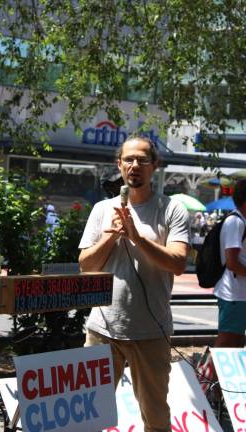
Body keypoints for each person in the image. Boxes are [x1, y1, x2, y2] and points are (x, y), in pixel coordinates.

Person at [78, 136, 190, 432]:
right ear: (119, 166)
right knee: (88, 416)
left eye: (142, 159)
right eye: (128, 159)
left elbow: (178, 263)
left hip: (151, 333)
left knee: (155, 417)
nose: (134, 165)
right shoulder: (103, 210)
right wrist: (112, 235)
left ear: (155, 166)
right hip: (102, 328)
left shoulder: (171, 209)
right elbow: (86, 265)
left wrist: (137, 238)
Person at [214, 179, 246, 349]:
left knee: (237, 342)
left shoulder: (241, 221)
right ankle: (206, 375)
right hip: (233, 294)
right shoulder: (236, 222)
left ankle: (218, 375)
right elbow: (232, 263)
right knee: (227, 341)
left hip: (239, 294)